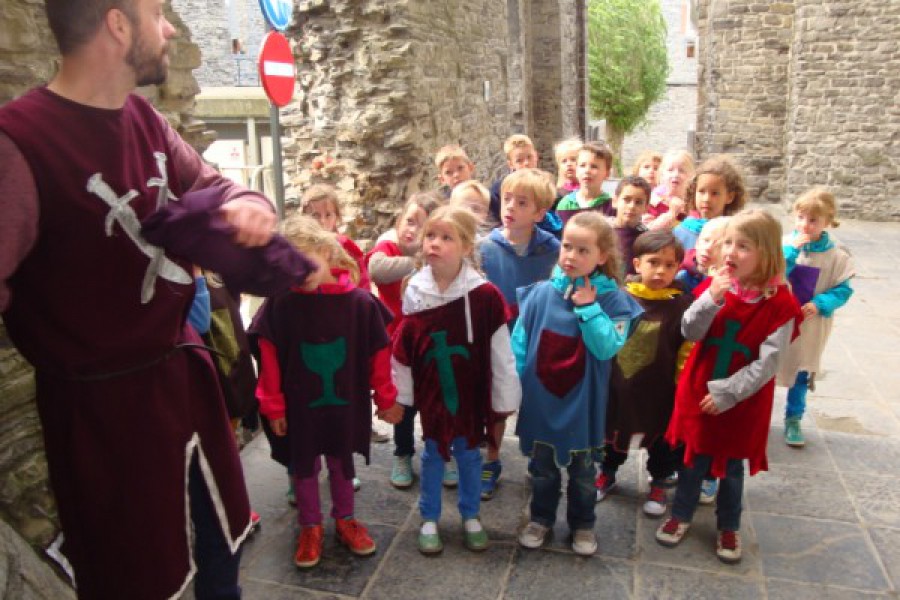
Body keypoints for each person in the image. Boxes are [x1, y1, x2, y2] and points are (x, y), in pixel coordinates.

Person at [0, 1, 283, 598]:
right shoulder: (18, 144)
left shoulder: (145, 119)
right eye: (158, 13)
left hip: (186, 389)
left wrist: (250, 205)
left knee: (220, 564)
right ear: (117, 23)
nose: (171, 28)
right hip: (104, 422)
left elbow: (212, 184)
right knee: (137, 580)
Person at [253, 216, 402, 569]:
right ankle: (310, 526)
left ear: (325, 251)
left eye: (305, 261)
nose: (298, 273)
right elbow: (269, 356)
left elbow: (378, 353)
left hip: (345, 402)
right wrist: (273, 406)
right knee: (303, 466)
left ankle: (346, 518)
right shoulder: (280, 305)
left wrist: (386, 397)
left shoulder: (360, 304)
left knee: (341, 461)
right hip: (298, 405)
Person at [656, 209, 802, 564]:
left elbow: (769, 361)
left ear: (766, 253)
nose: (731, 253)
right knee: (694, 455)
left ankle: (729, 524)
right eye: (729, 244)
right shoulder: (716, 284)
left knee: (733, 465)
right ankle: (682, 513)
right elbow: (690, 331)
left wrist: (728, 393)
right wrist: (711, 299)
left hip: (744, 399)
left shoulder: (780, 303)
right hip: (699, 386)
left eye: (744, 246)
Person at [391, 206, 521, 555]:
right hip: (433, 392)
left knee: (469, 454)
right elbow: (404, 347)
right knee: (432, 454)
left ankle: (470, 514)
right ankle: (429, 517)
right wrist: (400, 396)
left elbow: (500, 349)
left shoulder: (485, 296)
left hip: (469, 393)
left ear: (466, 246)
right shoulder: (415, 291)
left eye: (446, 237)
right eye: (430, 235)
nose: (434, 243)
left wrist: (504, 397)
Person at [514, 212, 642, 556]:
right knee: (542, 469)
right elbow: (521, 342)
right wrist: (515, 386)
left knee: (584, 473)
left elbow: (606, 347)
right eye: (567, 246)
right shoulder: (541, 294)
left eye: (583, 250)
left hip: (583, 403)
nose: (571, 255)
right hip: (541, 399)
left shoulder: (613, 301)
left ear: (602, 256)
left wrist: (588, 310)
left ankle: (583, 524)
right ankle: (541, 518)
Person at [597, 231, 693, 518]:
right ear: (637, 265)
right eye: (654, 262)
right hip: (620, 386)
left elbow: (687, 348)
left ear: (678, 267)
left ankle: (659, 482)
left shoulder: (682, 305)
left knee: (661, 441)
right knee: (613, 434)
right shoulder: (619, 299)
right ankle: (607, 473)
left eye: (669, 265)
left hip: (660, 389)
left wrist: (681, 385)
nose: (660, 271)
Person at [478, 168, 560, 499]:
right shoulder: (485, 247)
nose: (510, 207)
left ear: (540, 213)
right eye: (507, 199)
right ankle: (492, 458)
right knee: (496, 402)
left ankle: (537, 458)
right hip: (496, 338)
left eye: (522, 202)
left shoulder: (552, 250)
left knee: (535, 401)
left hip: (536, 339)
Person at [365, 192, 445, 488]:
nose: (412, 229)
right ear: (398, 222)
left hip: (429, 342)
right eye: (409, 221)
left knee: (434, 401)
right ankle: (402, 453)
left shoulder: (441, 255)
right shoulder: (387, 247)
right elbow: (376, 269)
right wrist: (419, 259)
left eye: (421, 226)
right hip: (396, 346)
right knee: (403, 402)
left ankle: (440, 452)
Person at [776, 187, 854, 447]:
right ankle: (758, 413)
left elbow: (843, 289)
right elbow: (774, 275)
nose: (805, 225)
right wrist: (789, 254)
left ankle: (794, 417)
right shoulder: (786, 244)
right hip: (780, 319)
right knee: (768, 363)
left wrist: (821, 303)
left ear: (827, 221)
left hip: (811, 324)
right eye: (801, 217)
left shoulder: (836, 255)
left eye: (813, 220)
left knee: (800, 369)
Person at [302, 183, 371, 292]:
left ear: (337, 217)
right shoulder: (299, 248)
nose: (322, 221)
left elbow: (363, 283)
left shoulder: (346, 246)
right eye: (315, 215)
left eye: (328, 215)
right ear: (304, 218)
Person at [673, 155, 746, 252]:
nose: (706, 199)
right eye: (701, 191)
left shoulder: (735, 233)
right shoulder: (680, 232)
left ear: (730, 197)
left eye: (715, 193)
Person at [555, 141, 616, 224]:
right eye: (582, 165)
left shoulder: (610, 206)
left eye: (594, 166)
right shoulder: (566, 204)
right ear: (576, 170)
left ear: (607, 173)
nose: (587, 171)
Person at [488, 134, 540, 221]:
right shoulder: (499, 190)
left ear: (536, 156)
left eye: (529, 157)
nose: (526, 163)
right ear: (511, 164)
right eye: (519, 160)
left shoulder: (545, 186)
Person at [608, 175, 651, 276]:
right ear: (615, 201)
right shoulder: (603, 231)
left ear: (646, 207)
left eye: (638, 202)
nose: (632, 206)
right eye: (627, 200)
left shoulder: (647, 238)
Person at [675, 216, 730, 294]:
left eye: (719, 245)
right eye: (706, 240)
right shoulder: (678, 267)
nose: (708, 248)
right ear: (697, 243)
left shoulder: (729, 282)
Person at [644, 149, 695, 230]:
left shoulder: (694, 202)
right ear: (662, 174)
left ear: (691, 176)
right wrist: (671, 214)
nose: (676, 174)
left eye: (682, 171)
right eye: (670, 170)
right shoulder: (653, 201)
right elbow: (646, 231)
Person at [449, 179, 494, 244]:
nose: (469, 213)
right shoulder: (442, 240)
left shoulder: (486, 246)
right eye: (462, 207)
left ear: (485, 215)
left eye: (476, 209)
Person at [553, 137, 582, 203]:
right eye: (564, 161)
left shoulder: (587, 189)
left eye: (573, 159)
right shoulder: (557, 194)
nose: (569, 164)